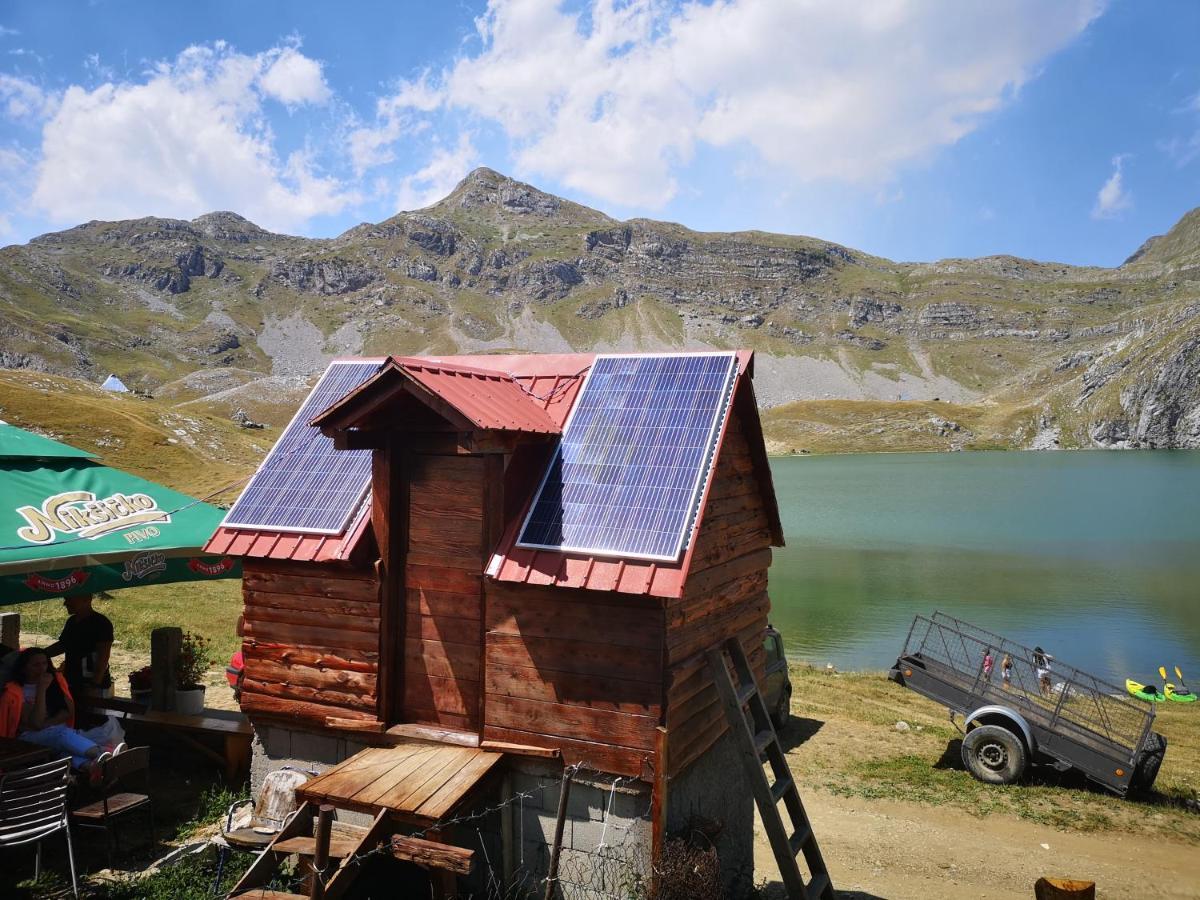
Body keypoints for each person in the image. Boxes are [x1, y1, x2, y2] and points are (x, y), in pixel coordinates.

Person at [0, 648, 112, 776]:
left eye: (44, 664)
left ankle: (93, 768)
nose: (42, 669)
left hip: (53, 733)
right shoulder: (15, 691)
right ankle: (103, 754)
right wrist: (41, 690)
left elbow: (67, 712)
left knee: (64, 752)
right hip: (26, 738)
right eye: (36, 665)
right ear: (24, 668)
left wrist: (47, 725)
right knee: (60, 734)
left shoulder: (55, 682)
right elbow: (36, 723)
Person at [46, 592, 113, 723]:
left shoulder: (101, 623)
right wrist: (39, 653)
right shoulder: (71, 622)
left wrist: (94, 685)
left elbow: (103, 658)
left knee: (92, 721)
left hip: (91, 684)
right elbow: (63, 645)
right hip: (71, 680)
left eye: (69, 599)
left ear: (86, 599)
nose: (65, 603)